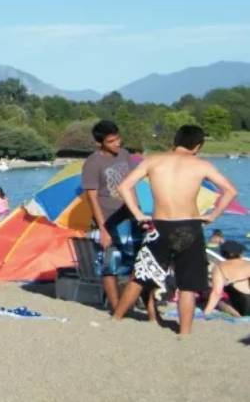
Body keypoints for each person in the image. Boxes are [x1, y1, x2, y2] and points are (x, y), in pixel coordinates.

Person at [113, 125, 238, 336]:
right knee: (187, 284)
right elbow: (230, 191)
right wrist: (213, 215)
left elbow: (124, 186)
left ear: (176, 140)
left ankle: (116, 318)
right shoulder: (201, 165)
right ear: (197, 146)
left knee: (140, 275)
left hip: (160, 226)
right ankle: (185, 334)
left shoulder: (153, 161)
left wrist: (138, 213)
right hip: (189, 226)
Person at [81, 120, 144, 311]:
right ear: (99, 143)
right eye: (111, 141)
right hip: (108, 218)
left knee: (137, 261)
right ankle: (116, 306)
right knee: (110, 264)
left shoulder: (124, 155)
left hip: (129, 216)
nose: (117, 143)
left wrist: (137, 213)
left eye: (118, 138)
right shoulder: (93, 163)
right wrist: (102, 229)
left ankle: (128, 302)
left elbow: (130, 185)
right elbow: (92, 198)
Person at [204, 241, 250, 317]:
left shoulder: (219, 267)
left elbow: (216, 293)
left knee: (215, 298)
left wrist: (206, 313)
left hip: (242, 310)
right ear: (240, 253)